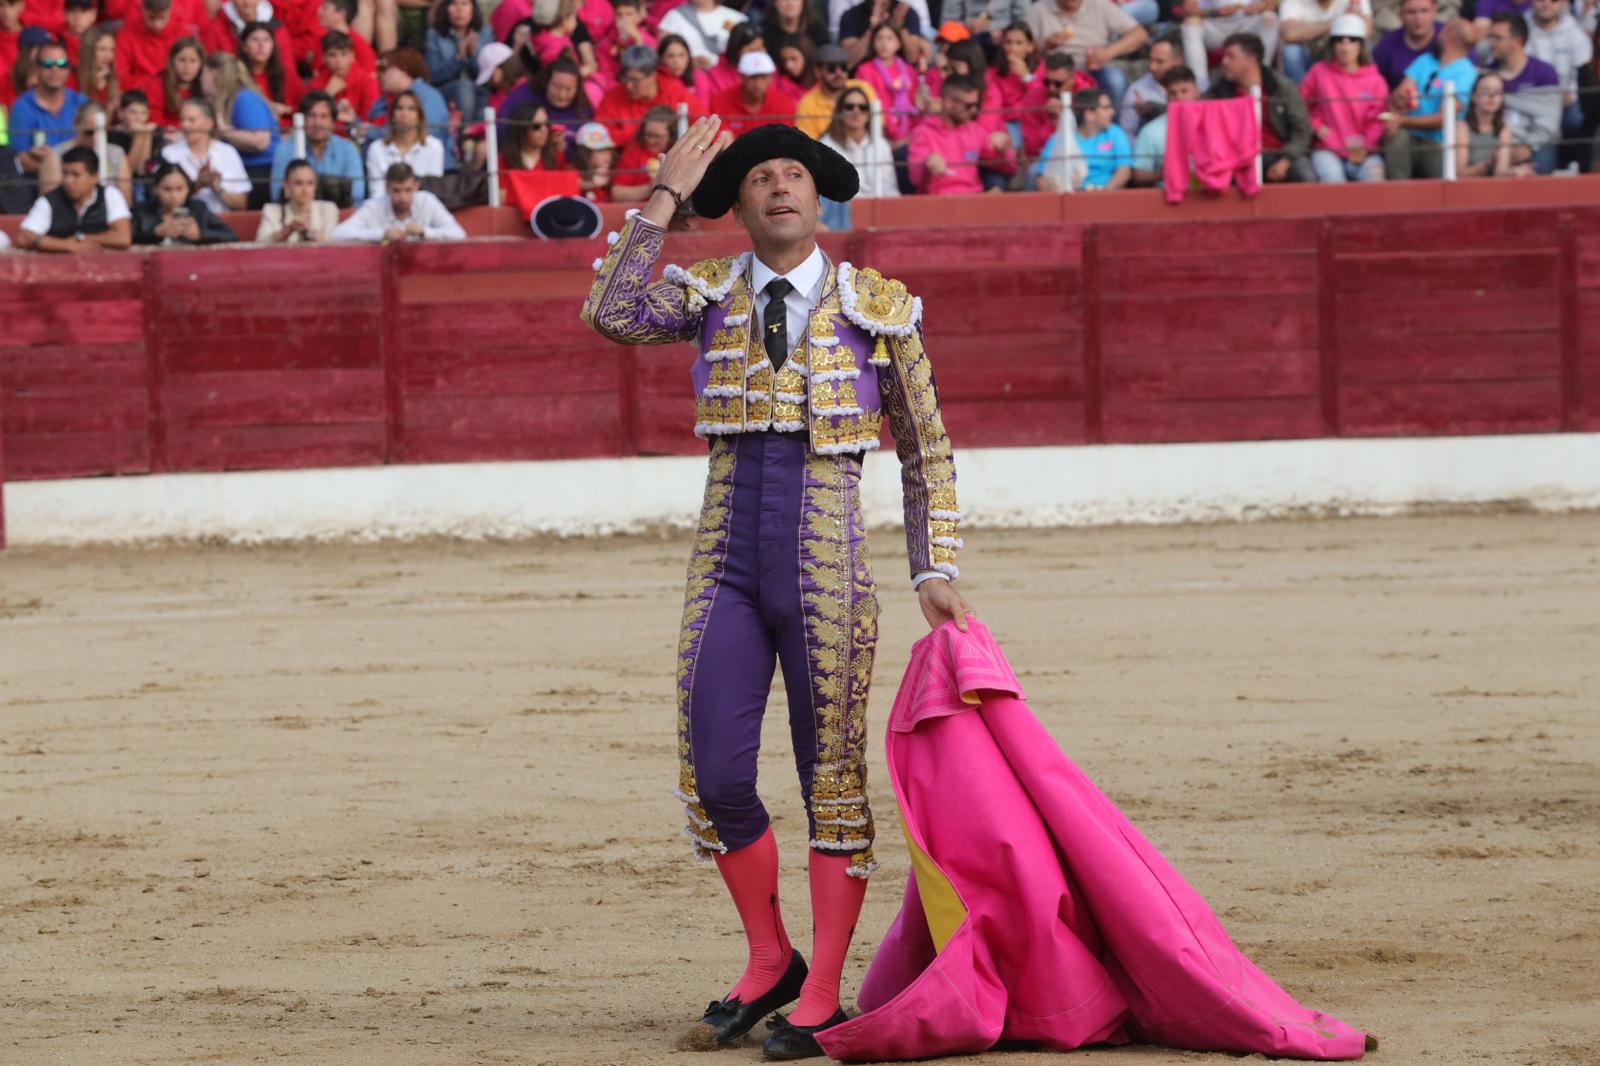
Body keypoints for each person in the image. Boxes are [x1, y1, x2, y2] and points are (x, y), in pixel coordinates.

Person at [581, 115, 970, 1063]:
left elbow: (926, 447)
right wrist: (664, 196)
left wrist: (936, 565)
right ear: (741, 203)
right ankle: (770, 960)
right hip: (725, 563)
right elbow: (611, 311)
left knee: (828, 780)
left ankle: (824, 991)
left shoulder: (878, 305)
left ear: (819, 194)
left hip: (827, 564)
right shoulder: (706, 291)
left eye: (795, 174)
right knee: (711, 773)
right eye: (759, 178)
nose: (780, 187)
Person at [1204, 31, 1315, 181]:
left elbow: (1302, 130)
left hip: (1279, 154)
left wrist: (1286, 160)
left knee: (1305, 174)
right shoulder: (1218, 90)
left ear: (1250, 60)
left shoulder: (1282, 88)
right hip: (1236, 157)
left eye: (1231, 56)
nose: (1224, 61)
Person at [1382, 15, 1473, 177]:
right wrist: (1399, 99)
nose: (1438, 35)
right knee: (1396, 137)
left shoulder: (1466, 71)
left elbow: (1443, 118)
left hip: (1439, 142)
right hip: (1408, 135)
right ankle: (1398, 196)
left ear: (1449, 37)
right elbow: (1401, 91)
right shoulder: (1425, 60)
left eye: (1443, 31)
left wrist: (1403, 121)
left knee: (1436, 163)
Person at [1301, 13, 1387, 180]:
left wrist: (1366, 148)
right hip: (1327, 150)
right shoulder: (1318, 72)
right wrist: (1318, 128)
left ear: (1361, 45)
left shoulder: (1376, 81)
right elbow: (1301, 106)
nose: (1344, 45)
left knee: (1375, 178)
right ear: (1332, 44)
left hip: (1364, 153)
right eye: (1339, 39)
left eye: (1352, 39)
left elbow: (1378, 121)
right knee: (1333, 179)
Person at [908, 73, 1019, 192]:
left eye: (976, 105)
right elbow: (915, 178)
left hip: (973, 201)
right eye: (968, 106)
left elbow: (1010, 170)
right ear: (948, 103)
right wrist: (927, 163)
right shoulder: (923, 133)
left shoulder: (975, 130)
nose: (974, 110)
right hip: (938, 203)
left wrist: (1002, 151)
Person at [1025, 0, 1147, 105]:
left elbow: (1139, 34)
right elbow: (1021, 50)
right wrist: (1046, 45)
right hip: (1054, 77)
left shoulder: (1099, 5)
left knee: (1114, 79)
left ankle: (1110, 126)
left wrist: (1108, 52)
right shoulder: (1038, 11)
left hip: (1092, 72)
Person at [16, 144, 131, 251]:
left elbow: (123, 238)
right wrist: (66, 245)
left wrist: (82, 238)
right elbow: (25, 237)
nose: (68, 181)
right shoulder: (49, 200)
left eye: (76, 175)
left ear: (94, 178)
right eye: (65, 174)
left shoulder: (109, 195)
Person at [202, 49, 280, 196]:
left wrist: (225, 130)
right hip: (240, 169)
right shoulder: (225, 101)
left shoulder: (244, 98)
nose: (201, 80)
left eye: (203, 73)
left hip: (261, 171)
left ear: (214, 73)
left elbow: (260, 140)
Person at [819, 83, 898, 226]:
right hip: (841, 218)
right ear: (840, 112)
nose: (856, 111)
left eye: (862, 107)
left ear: (869, 114)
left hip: (879, 213)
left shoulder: (881, 145)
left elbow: (890, 189)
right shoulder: (826, 144)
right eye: (849, 107)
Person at [269, 89, 365, 204]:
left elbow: (357, 193)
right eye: (312, 116)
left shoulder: (348, 150)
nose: (318, 123)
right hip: (297, 217)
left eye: (324, 116)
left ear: (333, 122)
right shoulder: (285, 150)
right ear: (302, 120)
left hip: (341, 217)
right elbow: (277, 193)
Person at [331, 159, 465, 240]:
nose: (402, 197)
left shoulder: (427, 201)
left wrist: (425, 232)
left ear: (416, 187)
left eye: (407, 190)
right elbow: (337, 235)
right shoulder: (373, 206)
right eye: (396, 190)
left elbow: (459, 234)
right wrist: (381, 234)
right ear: (387, 188)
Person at [594, 44, 703, 142]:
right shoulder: (615, 96)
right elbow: (597, 135)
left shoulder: (675, 93)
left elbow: (703, 125)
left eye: (635, 80)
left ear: (653, 75)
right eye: (625, 79)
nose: (628, 86)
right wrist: (642, 134)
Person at [1525, 0, 1590, 164]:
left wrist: (1572, 93)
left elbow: (1582, 74)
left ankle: (1572, 162)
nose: (1546, 4)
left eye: (1553, 0)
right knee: (1542, 167)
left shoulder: (1575, 34)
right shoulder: (1520, 29)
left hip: (1565, 100)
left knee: (1578, 117)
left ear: (1563, 3)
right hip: (1530, 101)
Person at [160, 95, 251, 211]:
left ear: (209, 123)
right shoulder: (169, 154)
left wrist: (217, 188)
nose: (185, 125)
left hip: (220, 223)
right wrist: (197, 185)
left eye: (191, 120)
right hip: (183, 221)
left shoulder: (227, 152)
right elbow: (162, 201)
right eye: (182, 120)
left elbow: (242, 203)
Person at [370, 46, 454, 169]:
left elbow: (427, 133)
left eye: (383, 69)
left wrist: (372, 132)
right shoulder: (383, 101)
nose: (378, 75)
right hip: (388, 166)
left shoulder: (428, 96)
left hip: (429, 168)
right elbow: (369, 124)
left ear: (403, 70)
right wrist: (354, 122)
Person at [1036, 85, 1131, 188]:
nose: (1112, 112)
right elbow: (1042, 178)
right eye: (1106, 108)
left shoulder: (1115, 133)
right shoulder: (1061, 138)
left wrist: (1103, 195)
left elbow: (1124, 171)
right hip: (1070, 198)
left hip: (1107, 196)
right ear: (1089, 114)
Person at [39, 102, 132, 202]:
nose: (95, 139)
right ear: (75, 124)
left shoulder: (116, 154)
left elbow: (126, 202)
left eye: (101, 133)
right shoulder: (56, 155)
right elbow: (49, 201)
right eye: (89, 133)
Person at [1180, 0, 1280, 89]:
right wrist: (1215, 12)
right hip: (1216, 26)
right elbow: (1187, 9)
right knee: (1190, 23)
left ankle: (1262, 72)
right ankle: (1200, 84)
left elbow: (1274, 2)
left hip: (1247, 23)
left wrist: (1260, 6)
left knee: (1270, 18)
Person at [851, 20, 924, 143]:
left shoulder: (909, 70)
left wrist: (909, 138)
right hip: (877, 132)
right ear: (873, 43)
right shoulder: (864, 70)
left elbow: (916, 105)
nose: (884, 43)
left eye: (890, 39)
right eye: (880, 39)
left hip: (910, 134)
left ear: (898, 44)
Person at [131, 158, 236, 243]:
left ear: (188, 189)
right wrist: (155, 233)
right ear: (156, 189)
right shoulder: (143, 210)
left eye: (179, 189)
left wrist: (200, 235)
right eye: (167, 189)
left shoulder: (199, 209)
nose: (174, 195)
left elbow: (231, 235)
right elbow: (129, 236)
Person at [1130, 62, 1200, 183]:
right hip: (1166, 198)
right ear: (1166, 97)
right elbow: (1138, 175)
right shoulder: (1150, 131)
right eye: (1173, 93)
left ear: (1197, 91)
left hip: (1209, 197)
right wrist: (1159, 174)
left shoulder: (1214, 125)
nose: (1179, 97)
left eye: (1184, 91)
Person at [9, 39, 84, 147]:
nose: (55, 69)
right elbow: (19, 156)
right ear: (36, 68)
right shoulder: (22, 107)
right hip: (37, 163)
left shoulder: (82, 103)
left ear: (68, 69)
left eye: (62, 64)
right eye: (47, 64)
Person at [794, 42, 877, 138]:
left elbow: (878, 125)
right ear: (818, 72)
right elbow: (808, 145)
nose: (839, 74)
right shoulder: (807, 104)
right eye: (831, 68)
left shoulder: (864, 89)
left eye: (843, 67)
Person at [1280, 0, 1374, 83]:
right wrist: (1341, 20)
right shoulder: (1293, 2)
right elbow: (1290, 34)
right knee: (1291, 51)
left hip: (1337, 54)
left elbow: (1365, 31)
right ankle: (1300, 99)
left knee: (1358, 46)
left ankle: (1355, 94)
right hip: (1307, 55)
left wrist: (1307, 30)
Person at [710, 49, 796, 137]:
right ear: (741, 77)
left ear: (771, 78)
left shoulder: (784, 103)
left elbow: (785, 141)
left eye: (763, 77)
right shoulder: (719, 102)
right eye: (752, 77)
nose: (757, 84)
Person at [424, 0, 485, 121]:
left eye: (464, 3)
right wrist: (459, 58)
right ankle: (466, 136)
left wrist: (472, 55)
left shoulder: (484, 33)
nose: (459, 9)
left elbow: (485, 75)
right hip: (445, 90)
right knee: (465, 87)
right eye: (454, 4)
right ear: (446, 9)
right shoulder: (434, 35)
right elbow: (432, 75)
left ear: (473, 8)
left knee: (484, 92)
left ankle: (481, 134)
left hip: (478, 88)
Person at [365, 87, 443, 182]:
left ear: (419, 117)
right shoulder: (376, 148)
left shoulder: (434, 147)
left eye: (411, 109)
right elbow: (377, 191)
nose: (404, 113)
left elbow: (433, 190)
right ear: (392, 116)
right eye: (399, 108)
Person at [310, 30, 380, 132]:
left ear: (352, 56)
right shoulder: (317, 83)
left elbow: (371, 118)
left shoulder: (367, 81)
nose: (338, 61)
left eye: (343, 54)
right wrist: (327, 94)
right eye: (332, 55)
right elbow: (309, 118)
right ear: (324, 58)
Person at [116, 0, 192, 92]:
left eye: (162, 18)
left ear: (169, 10)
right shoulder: (127, 34)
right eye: (151, 18)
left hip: (174, 90)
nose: (157, 24)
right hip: (139, 92)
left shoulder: (182, 34)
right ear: (142, 10)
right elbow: (120, 73)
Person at [257, 156, 340, 240]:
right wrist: (288, 230)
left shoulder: (329, 209)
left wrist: (310, 232)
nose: (305, 189)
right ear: (286, 184)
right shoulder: (271, 211)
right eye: (298, 183)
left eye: (310, 183)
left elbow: (333, 245)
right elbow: (260, 245)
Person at [237, 20, 304, 122]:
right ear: (244, 46)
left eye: (266, 40)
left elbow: (307, 106)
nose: (261, 45)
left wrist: (286, 109)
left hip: (288, 132)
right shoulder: (235, 76)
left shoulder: (287, 74)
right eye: (255, 39)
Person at [1455, 70, 1517, 174]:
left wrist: (1514, 172)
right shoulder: (1461, 127)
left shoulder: (1504, 130)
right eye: (1485, 90)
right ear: (1474, 97)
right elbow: (1460, 175)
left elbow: (1500, 173)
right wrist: (1488, 164)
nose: (1492, 95)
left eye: (1497, 91)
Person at [655, 0, 747, 67]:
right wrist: (689, 62)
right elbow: (663, 51)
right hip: (689, 78)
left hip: (727, 80)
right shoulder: (674, 16)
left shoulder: (738, 18)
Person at [1371, 0, 1440, 87]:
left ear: (1435, 11)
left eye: (1424, 11)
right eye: (1410, 12)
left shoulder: (1449, 38)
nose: (1418, 18)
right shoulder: (1386, 46)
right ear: (1400, 14)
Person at [1117, 33, 1175, 134]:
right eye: (1150, 60)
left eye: (1159, 61)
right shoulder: (1137, 90)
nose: (1152, 67)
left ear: (1178, 61)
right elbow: (1127, 134)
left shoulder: (1199, 84)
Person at [838, 0, 927, 66]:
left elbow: (913, 57)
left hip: (901, 77)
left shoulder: (906, 13)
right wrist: (872, 29)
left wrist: (899, 27)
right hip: (864, 78)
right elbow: (848, 60)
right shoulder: (851, 16)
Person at [942, 0, 1033, 47]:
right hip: (967, 40)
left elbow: (1024, 22)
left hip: (1004, 39)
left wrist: (1004, 31)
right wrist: (966, 26)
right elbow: (947, 24)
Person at [75, 24, 118, 108]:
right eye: (102, 49)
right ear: (88, 50)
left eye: (112, 50)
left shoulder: (115, 80)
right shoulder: (73, 79)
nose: (108, 55)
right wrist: (93, 82)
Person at [573, 118, 616, 199]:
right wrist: (590, 184)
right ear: (585, 154)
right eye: (600, 150)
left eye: (609, 149)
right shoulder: (573, 173)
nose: (607, 155)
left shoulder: (615, 174)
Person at [759, 0, 829, 49]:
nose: (790, 3)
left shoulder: (816, 28)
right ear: (775, 3)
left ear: (803, 3)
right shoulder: (764, 31)